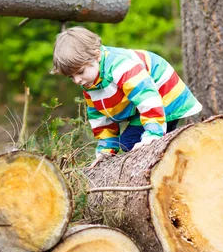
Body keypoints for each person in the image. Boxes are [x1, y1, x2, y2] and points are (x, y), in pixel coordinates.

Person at [51, 26, 202, 165]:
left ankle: (189, 161)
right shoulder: (90, 82)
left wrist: (152, 134)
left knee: (138, 144)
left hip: (165, 98)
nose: (77, 80)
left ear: (96, 56)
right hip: (142, 108)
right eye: (71, 77)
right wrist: (106, 151)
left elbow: (147, 98)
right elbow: (100, 118)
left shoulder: (121, 66)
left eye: (80, 72)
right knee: (127, 143)